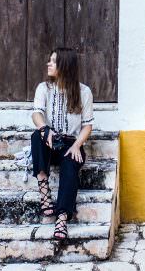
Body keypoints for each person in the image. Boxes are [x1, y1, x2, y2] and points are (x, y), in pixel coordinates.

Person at [30, 47, 95, 241]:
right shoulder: (44, 88)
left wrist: (77, 145)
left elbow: (87, 125)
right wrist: (45, 129)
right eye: (49, 60)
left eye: (53, 61)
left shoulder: (84, 92)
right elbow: (36, 113)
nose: (48, 64)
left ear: (65, 66)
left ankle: (62, 217)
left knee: (70, 166)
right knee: (37, 136)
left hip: (70, 142)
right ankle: (44, 191)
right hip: (50, 139)